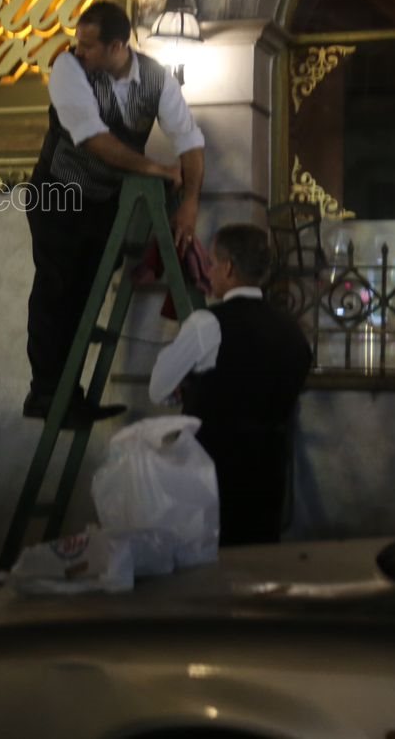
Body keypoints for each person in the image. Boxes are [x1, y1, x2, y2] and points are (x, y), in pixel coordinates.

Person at [25, 0, 206, 427]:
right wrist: (156, 169)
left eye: (88, 45)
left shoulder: (157, 78)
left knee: (85, 296)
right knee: (55, 289)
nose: (79, 50)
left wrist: (190, 203)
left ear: (118, 46)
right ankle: (44, 394)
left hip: (103, 199)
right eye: (79, 42)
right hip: (57, 192)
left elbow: (189, 141)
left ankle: (69, 396)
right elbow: (91, 138)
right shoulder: (68, 68)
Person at [148, 223, 312, 546]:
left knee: (211, 561)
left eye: (211, 262)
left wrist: (190, 389)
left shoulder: (207, 323)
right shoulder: (294, 332)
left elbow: (159, 389)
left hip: (212, 472)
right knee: (257, 559)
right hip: (269, 475)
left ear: (228, 268)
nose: (208, 271)